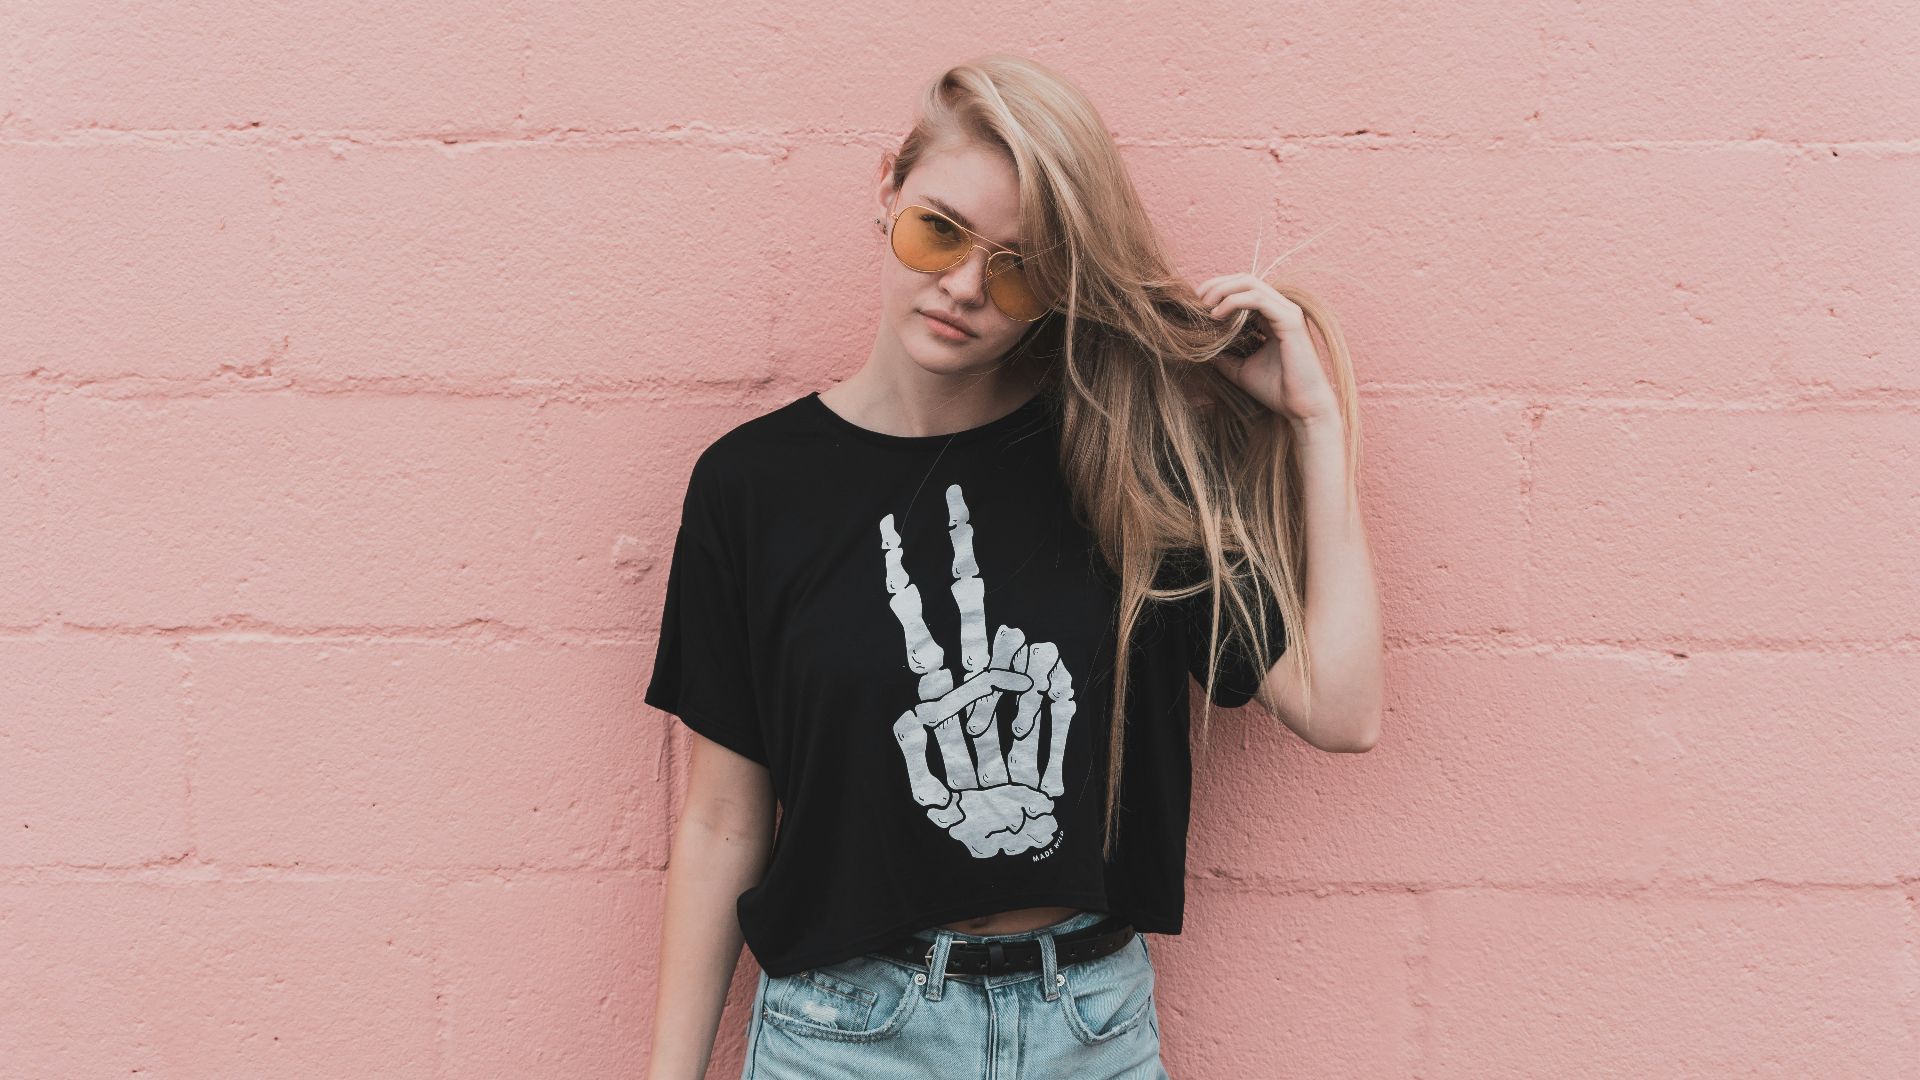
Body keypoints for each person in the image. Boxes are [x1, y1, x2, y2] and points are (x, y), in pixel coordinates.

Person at [642, 53, 1385, 1080]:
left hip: (1087, 1025)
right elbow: (724, 821)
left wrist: (1314, 423)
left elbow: (1343, 711)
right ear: (886, 191)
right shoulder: (752, 486)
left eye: (1021, 266)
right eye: (937, 229)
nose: (963, 288)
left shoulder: (1126, 463)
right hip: (843, 1037)